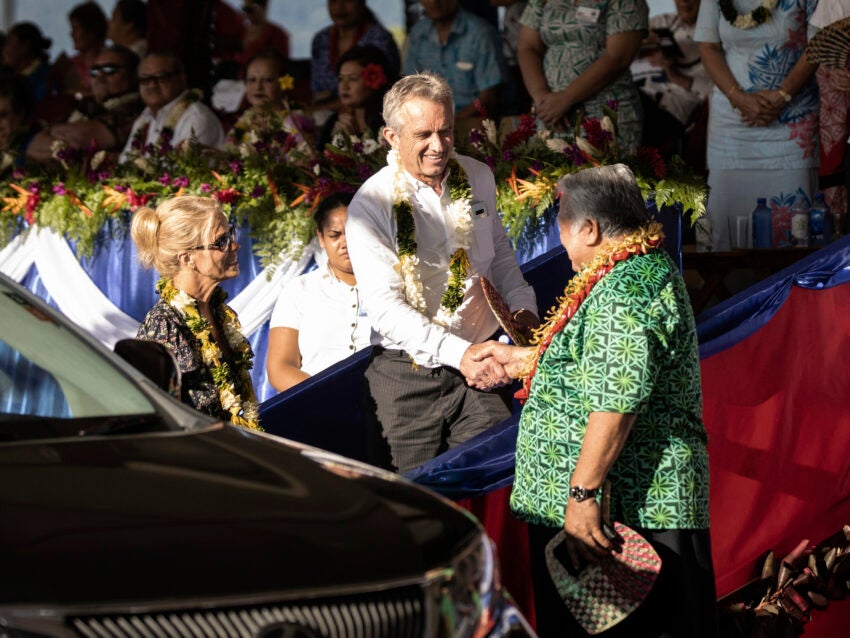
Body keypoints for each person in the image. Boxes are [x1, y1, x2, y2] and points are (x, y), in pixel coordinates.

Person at [474, 164, 715, 638]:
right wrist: (524, 359)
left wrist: (582, 495)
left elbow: (616, 403)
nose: (559, 242)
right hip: (615, 508)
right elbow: (594, 364)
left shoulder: (623, 291)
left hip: (627, 513)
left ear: (590, 228)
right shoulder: (630, 271)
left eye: (561, 228)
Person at [345, 72, 539, 473]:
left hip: (482, 368)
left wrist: (522, 311)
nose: (439, 146)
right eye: (424, 135)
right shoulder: (371, 204)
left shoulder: (477, 176)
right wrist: (459, 354)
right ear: (391, 137)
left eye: (446, 131)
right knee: (415, 504)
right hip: (408, 377)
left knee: (493, 482)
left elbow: (499, 256)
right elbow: (384, 307)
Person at [695, 0, 819, 251]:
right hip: (732, 125)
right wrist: (738, 97)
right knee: (723, 226)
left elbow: (819, 42)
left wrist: (783, 95)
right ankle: (729, 291)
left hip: (791, 124)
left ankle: (790, 289)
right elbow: (708, 46)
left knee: (794, 229)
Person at [131, 195, 261, 431]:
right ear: (187, 258)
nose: (234, 245)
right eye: (221, 241)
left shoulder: (220, 313)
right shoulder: (163, 328)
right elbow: (154, 421)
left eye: (230, 234)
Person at [267, 193, 371, 392]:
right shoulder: (300, 289)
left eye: (352, 232)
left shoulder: (392, 283)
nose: (345, 243)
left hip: (387, 404)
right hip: (318, 405)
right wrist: (327, 398)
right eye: (335, 235)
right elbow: (279, 367)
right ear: (321, 238)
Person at [517, 0, 647, 151]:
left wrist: (566, 98)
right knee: (547, 172)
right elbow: (527, 47)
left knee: (604, 173)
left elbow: (618, 57)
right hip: (549, 113)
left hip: (603, 112)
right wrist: (542, 99)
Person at [26, 45, 143, 163]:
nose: (99, 76)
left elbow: (82, 139)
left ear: (133, 74)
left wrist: (58, 142)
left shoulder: (134, 107)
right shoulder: (87, 104)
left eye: (109, 70)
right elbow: (34, 145)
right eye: (94, 70)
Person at [633, 0, 712, 161]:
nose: (684, 3)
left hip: (673, 113)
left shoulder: (717, 36)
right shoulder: (663, 22)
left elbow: (711, 93)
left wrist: (675, 75)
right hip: (645, 96)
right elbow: (623, 50)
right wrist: (642, 42)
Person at [403, 0, 507, 120]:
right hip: (429, 123)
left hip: (473, 125)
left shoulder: (480, 33)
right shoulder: (417, 34)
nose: (434, 2)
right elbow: (410, 86)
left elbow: (489, 97)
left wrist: (452, 122)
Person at [120, 52, 225, 162]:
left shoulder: (196, 118)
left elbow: (182, 171)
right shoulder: (144, 118)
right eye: (145, 79)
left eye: (161, 77)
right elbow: (125, 162)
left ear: (182, 78)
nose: (152, 85)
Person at [310, 0, 401, 107]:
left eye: (348, 1)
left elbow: (385, 90)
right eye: (333, 1)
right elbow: (318, 91)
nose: (339, 7)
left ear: (361, 3)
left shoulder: (379, 39)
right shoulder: (321, 39)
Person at [225, 48, 313, 152]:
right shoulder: (247, 118)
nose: (258, 87)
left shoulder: (296, 121)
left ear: (283, 84)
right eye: (252, 79)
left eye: (268, 80)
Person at [316, 44, 396, 149]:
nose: (344, 86)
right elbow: (320, 162)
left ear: (374, 80)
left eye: (352, 79)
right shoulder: (334, 121)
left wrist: (353, 140)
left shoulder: (388, 123)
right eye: (340, 79)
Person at [55, 2, 109, 97]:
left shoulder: (111, 61)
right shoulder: (69, 65)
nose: (71, 34)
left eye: (76, 28)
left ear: (91, 30)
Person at [2, 22, 52, 105]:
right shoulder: (8, 75)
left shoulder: (46, 76)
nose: (5, 50)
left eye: (9, 43)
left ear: (25, 47)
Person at [237, 0, 290, 66]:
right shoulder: (241, 31)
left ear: (264, 7)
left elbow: (282, 64)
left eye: (250, 9)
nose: (247, 14)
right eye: (244, 9)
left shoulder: (277, 34)